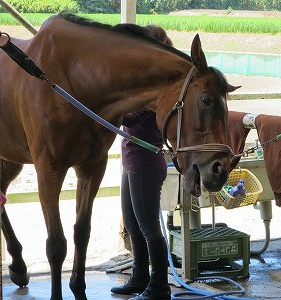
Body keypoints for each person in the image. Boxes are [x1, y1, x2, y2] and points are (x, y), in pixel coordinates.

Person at [110, 26, 173, 300]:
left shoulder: (159, 86)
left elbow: (132, 118)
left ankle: (160, 286)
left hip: (146, 163)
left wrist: (110, 102)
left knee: (149, 228)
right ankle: (139, 277)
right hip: (131, 159)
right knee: (134, 225)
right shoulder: (147, 80)